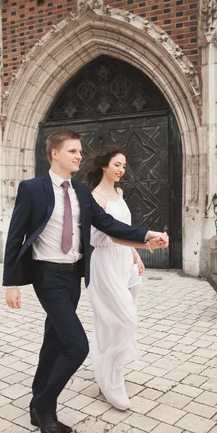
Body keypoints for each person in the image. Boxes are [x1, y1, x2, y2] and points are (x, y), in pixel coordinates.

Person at [3, 129, 168, 433]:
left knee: (54, 341)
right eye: (73, 151)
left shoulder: (81, 192)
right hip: (46, 276)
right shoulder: (32, 189)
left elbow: (109, 225)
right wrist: (10, 282)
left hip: (73, 277)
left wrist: (147, 235)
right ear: (55, 154)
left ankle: (36, 403)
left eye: (80, 152)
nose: (80, 156)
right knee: (76, 345)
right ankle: (45, 407)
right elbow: (15, 235)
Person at [83, 147, 167, 410]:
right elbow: (111, 234)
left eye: (124, 165)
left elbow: (125, 231)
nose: (121, 169)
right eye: (117, 164)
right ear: (104, 166)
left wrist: (135, 255)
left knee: (115, 323)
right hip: (105, 263)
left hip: (125, 263)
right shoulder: (94, 197)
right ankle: (111, 382)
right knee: (123, 321)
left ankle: (111, 370)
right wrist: (148, 245)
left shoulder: (119, 193)